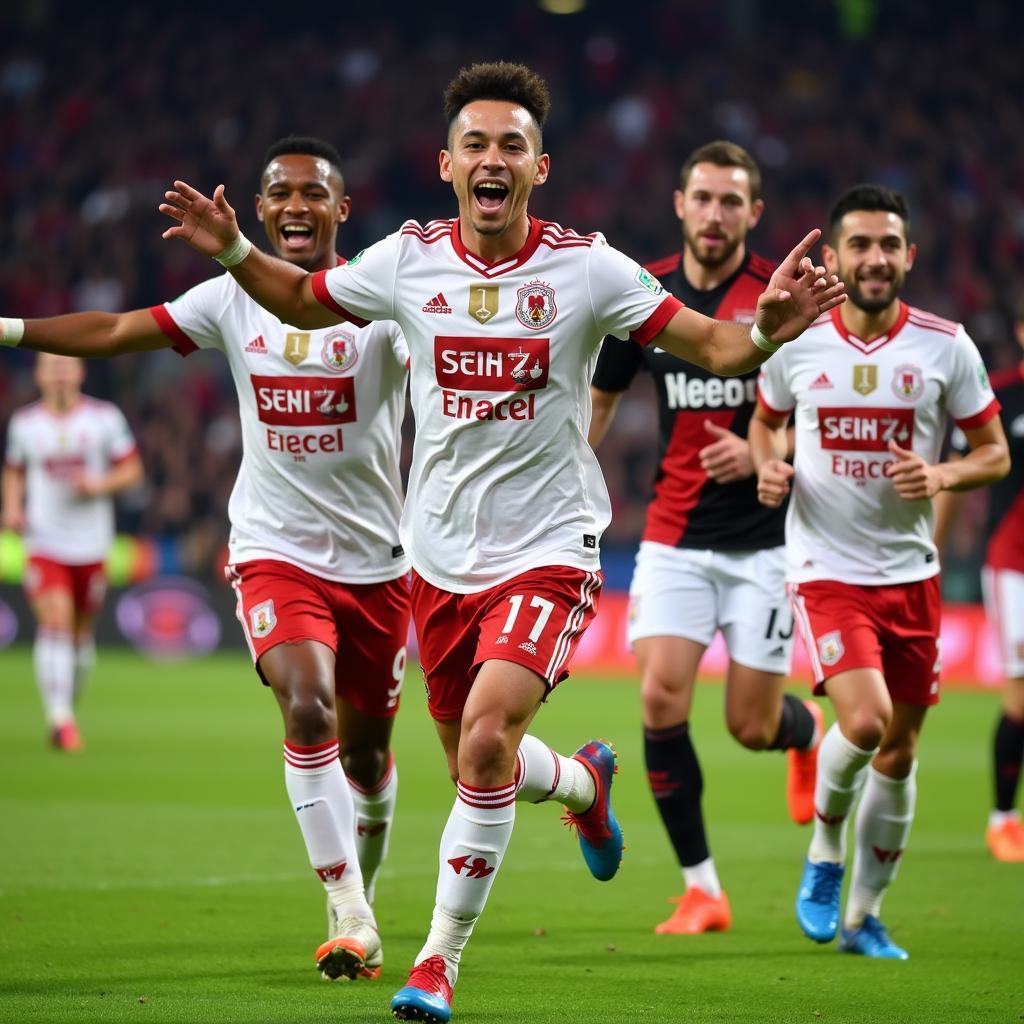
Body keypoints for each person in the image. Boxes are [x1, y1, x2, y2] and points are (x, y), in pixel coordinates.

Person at [110, 62, 842, 1023]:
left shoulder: (589, 270)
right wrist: (239, 250)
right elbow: (296, 300)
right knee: (478, 763)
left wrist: (768, 335)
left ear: (540, 166)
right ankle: (582, 782)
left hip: (550, 544)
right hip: (441, 559)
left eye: (512, 145)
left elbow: (716, 346)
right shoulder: (407, 261)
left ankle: (435, 963)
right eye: (475, 144)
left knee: (489, 739)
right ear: (446, 163)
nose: (492, 158)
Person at [0, 137, 410, 982]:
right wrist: (6, 326)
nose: (296, 205)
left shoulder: (382, 299)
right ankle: (345, 905)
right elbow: (116, 329)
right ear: (257, 210)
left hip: (379, 563)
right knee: (307, 709)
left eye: (314, 193)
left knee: (368, 760)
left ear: (341, 211)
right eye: (280, 193)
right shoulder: (229, 298)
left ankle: (359, 894)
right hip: (274, 549)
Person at [749, 184, 1010, 960]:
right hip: (826, 566)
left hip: (912, 575)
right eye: (859, 244)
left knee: (899, 753)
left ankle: (865, 916)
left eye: (888, 245)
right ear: (833, 257)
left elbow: (993, 453)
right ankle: (826, 855)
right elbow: (766, 425)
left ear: (909, 257)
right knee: (863, 724)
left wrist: (941, 476)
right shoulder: (800, 341)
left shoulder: (945, 346)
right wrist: (769, 469)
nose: (874, 258)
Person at [588, 140, 822, 936]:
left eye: (732, 201)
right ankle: (702, 889)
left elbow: (813, 416)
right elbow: (599, 405)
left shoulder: (780, 297)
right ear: (680, 205)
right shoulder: (645, 296)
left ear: (753, 213)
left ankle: (806, 733)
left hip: (764, 541)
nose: (715, 213)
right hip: (673, 533)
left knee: (750, 725)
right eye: (703, 198)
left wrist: (766, 452)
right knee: (658, 698)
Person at [1, 353, 143, 750]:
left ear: (80, 373)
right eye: (52, 367)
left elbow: (132, 470)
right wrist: (12, 506)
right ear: (39, 375)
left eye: (66, 367)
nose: (59, 375)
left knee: (80, 633)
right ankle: (60, 720)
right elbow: (13, 468)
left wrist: (97, 485)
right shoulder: (26, 424)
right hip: (44, 540)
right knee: (56, 621)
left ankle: (65, 702)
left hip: (92, 543)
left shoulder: (104, 419)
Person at [935, 299, 1024, 862]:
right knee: (1020, 700)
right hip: (1014, 565)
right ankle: (1003, 818)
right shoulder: (1004, 392)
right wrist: (932, 550)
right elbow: (958, 470)